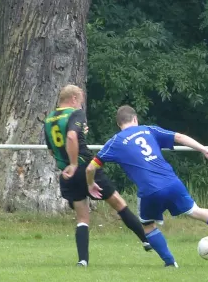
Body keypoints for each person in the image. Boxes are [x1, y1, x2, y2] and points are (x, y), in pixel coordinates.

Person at [85, 105, 208, 268]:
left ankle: (170, 262)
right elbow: (180, 137)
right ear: (135, 119)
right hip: (172, 182)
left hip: (150, 190)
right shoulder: (148, 129)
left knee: (148, 226)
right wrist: (203, 149)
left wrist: (91, 183)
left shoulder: (114, 142)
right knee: (196, 211)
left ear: (118, 124)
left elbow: (91, 167)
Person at [44, 85, 151, 267]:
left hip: (67, 174)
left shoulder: (49, 119)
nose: (82, 106)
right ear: (74, 99)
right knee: (119, 203)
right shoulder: (75, 113)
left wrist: (66, 165)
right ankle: (147, 240)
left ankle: (83, 261)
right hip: (84, 166)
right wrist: (75, 163)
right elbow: (70, 137)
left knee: (82, 218)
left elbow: (52, 148)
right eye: (81, 101)